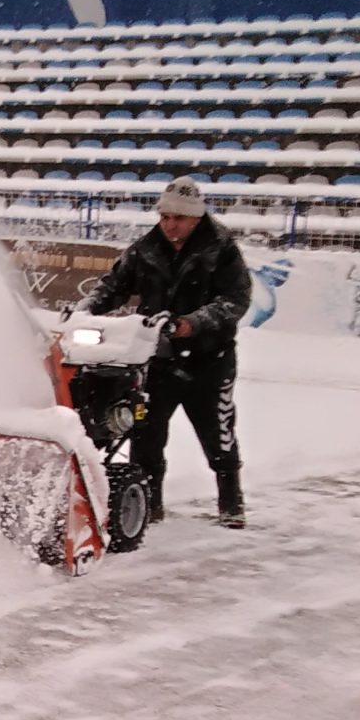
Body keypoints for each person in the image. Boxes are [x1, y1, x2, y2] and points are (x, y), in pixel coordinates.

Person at [75, 177, 252, 528]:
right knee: (145, 434)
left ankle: (231, 502)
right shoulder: (146, 248)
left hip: (209, 361)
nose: (170, 224)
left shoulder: (221, 249)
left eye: (179, 218)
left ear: (196, 218)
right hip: (158, 360)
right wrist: (85, 311)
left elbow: (235, 300)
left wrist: (194, 322)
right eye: (165, 216)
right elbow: (115, 286)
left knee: (217, 433)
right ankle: (149, 505)